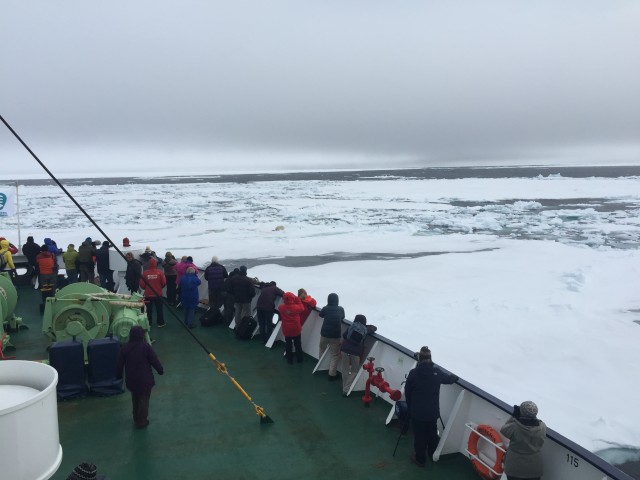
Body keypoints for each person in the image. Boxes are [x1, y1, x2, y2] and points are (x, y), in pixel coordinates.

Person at [404, 346, 458, 467]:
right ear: (430, 358)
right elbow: (449, 379)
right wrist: (455, 377)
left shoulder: (413, 373)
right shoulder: (436, 372)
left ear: (419, 359)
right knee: (432, 434)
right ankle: (432, 454)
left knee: (419, 437)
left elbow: (408, 393)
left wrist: (411, 408)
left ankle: (420, 459)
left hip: (417, 413)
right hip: (432, 412)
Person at [115, 325, 164, 429]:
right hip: (145, 380)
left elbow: (119, 364)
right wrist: (160, 370)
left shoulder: (125, 348)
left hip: (132, 380)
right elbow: (154, 360)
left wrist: (118, 376)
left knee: (135, 398)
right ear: (141, 335)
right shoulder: (146, 347)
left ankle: (135, 417)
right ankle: (141, 421)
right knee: (144, 400)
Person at [500, 401, 547, 480]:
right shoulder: (542, 427)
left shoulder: (514, 427)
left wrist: (514, 416)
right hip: (534, 469)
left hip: (514, 468)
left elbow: (504, 429)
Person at [340, 314, 377, 396]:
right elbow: (374, 328)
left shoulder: (352, 326)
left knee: (345, 369)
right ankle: (346, 389)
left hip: (345, 349)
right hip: (356, 353)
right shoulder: (365, 329)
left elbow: (344, 336)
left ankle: (344, 386)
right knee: (354, 370)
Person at [319, 293, 345, 381]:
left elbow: (321, 315)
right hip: (335, 336)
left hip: (324, 334)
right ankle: (332, 374)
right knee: (335, 355)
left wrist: (327, 306)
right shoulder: (340, 309)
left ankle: (320, 367)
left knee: (322, 349)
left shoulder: (326, 308)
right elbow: (342, 317)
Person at [277, 292, 305, 364]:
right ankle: (300, 359)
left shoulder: (281, 307)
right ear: (292, 298)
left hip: (286, 329)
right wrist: (297, 299)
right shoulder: (296, 307)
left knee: (288, 344)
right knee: (297, 344)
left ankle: (290, 360)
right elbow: (302, 308)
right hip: (296, 329)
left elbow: (283, 307)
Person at [140, 257, 166, 328]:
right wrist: (159, 287)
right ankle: (160, 323)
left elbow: (142, 285)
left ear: (149, 264)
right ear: (156, 264)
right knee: (159, 309)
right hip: (158, 294)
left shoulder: (145, 273)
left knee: (148, 310)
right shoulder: (160, 272)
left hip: (148, 295)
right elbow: (163, 283)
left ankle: (149, 323)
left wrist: (146, 288)